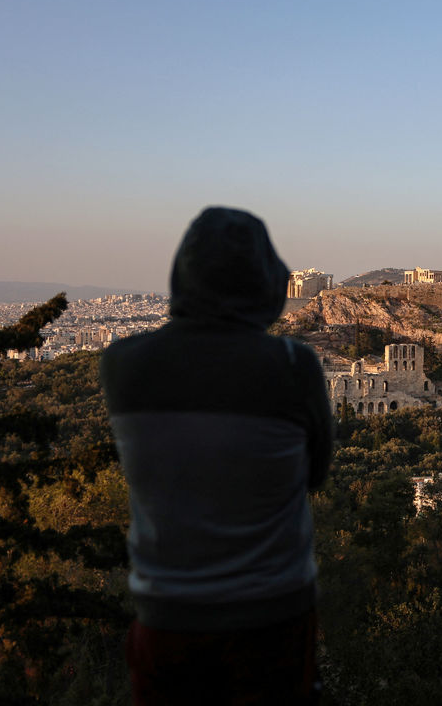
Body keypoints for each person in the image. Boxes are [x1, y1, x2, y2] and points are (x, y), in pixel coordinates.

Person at [101, 206, 333, 705]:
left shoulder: (122, 365)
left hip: (168, 615)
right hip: (272, 614)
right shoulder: (295, 365)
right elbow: (316, 474)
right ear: (268, 282)